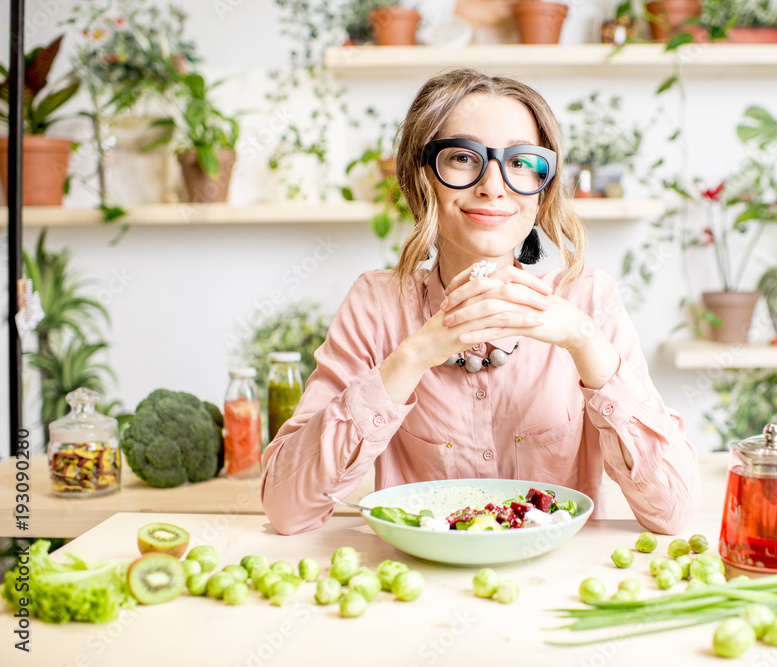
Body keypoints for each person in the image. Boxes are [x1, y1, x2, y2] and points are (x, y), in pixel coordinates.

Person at [261, 68, 699, 536]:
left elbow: (672, 514)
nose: (494, 185)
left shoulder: (589, 298)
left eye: (521, 162)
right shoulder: (377, 303)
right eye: (463, 158)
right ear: (420, 176)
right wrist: (413, 355)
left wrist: (584, 339)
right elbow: (288, 510)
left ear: (544, 188)